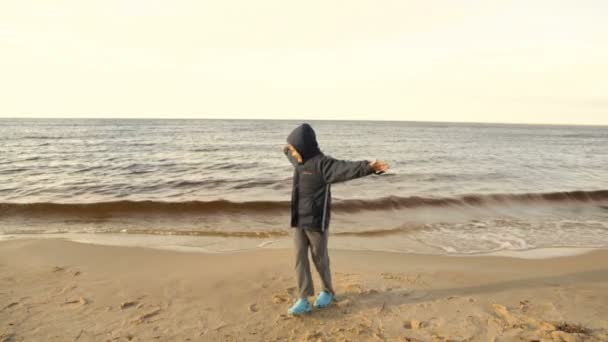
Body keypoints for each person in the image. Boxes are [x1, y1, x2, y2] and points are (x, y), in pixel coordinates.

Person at [283, 123, 389, 315]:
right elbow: (287, 151)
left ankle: (328, 291)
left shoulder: (323, 165)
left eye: (293, 148)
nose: (291, 151)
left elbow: (345, 169)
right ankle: (304, 298)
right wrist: (288, 146)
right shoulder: (298, 161)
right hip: (298, 220)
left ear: (303, 146)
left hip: (316, 223)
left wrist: (368, 167)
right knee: (299, 259)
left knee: (320, 259)